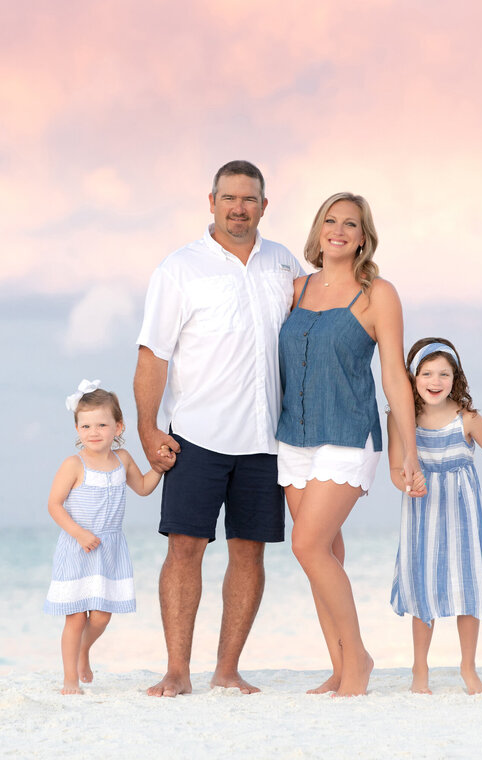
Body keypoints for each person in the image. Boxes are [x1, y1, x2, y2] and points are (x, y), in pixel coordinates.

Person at [134, 160, 301, 697]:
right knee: (185, 547)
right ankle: (177, 671)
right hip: (197, 436)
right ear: (211, 202)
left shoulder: (283, 264)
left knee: (250, 551)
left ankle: (226, 670)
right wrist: (146, 428)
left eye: (248, 199)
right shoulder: (179, 269)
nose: (238, 208)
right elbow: (153, 355)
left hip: (265, 439)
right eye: (228, 197)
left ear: (264, 206)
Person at [275, 192, 423, 697]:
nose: (338, 230)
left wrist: (410, 453)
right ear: (318, 231)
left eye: (350, 224)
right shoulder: (294, 289)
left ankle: (357, 660)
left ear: (364, 237)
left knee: (307, 544)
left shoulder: (377, 293)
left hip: (347, 434)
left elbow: (395, 379)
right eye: (330, 221)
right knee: (327, 551)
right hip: (292, 437)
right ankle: (339, 665)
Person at [388, 338, 482, 695]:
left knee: (469, 587)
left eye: (444, 374)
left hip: (463, 517)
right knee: (422, 589)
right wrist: (406, 484)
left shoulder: (467, 418)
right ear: (413, 378)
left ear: (455, 378)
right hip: (422, 516)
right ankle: (420, 669)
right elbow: (393, 467)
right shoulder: (401, 420)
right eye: (427, 373)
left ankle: (468, 667)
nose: (436, 380)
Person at [44, 380, 161, 695]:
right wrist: (79, 533)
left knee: (101, 616)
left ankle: (84, 650)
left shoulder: (122, 460)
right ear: (77, 428)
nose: (93, 431)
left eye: (101, 424)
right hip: (78, 547)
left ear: (117, 426)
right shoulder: (74, 464)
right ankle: (70, 679)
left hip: (109, 549)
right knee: (75, 619)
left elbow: (144, 487)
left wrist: (160, 468)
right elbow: (54, 505)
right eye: (85, 425)